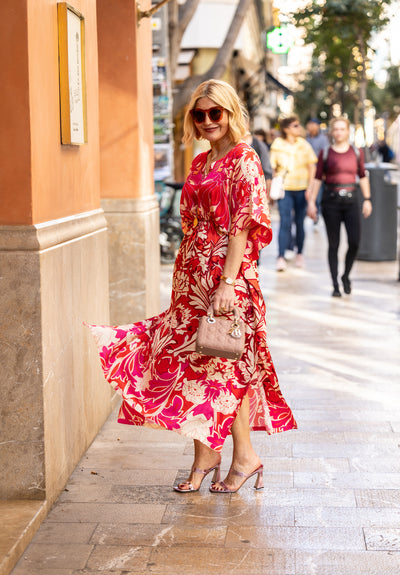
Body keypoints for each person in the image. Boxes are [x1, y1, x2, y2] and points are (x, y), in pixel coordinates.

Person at [86, 79, 297, 494]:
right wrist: (188, 273)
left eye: (214, 113)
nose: (206, 121)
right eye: (198, 115)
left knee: (226, 362)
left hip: (226, 280)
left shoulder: (244, 160)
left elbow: (242, 225)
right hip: (191, 280)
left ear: (231, 113)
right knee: (199, 365)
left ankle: (237, 457)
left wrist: (228, 282)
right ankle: (213, 454)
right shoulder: (201, 162)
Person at [307, 117, 372, 297]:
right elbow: (317, 178)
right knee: (333, 244)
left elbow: (362, 175)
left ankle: (346, 276)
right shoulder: (326, 153)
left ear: (348, 131)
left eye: (342, 129)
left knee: (354, 242)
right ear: (331, 132)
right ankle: (335, 284)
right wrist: (312, 202)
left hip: (352, 200)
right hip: (331, 202)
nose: (339, 132)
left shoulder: (356, 152)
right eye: (336, 129)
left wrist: (367, 198)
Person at [270, 115, 317, 271]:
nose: (299, 128)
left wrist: (310, 187)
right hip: (285, 189)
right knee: (284, 222)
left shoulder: (304, 145)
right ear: (286, 129)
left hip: (302, 189)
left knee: (300, 223)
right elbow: (272, 167)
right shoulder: (277, 144)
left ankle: (300, 253)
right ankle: (281, 256)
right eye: (295, 125)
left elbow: (312, 167)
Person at [306, 118, 330, 222]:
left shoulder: (323, 139)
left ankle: (316, 216)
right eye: (310, 124)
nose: (311, 127)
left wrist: (324, 171)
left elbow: (325, 155)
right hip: (306, 172)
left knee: (317, 195)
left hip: (318, 172)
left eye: (313, 124)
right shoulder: (306, 138)